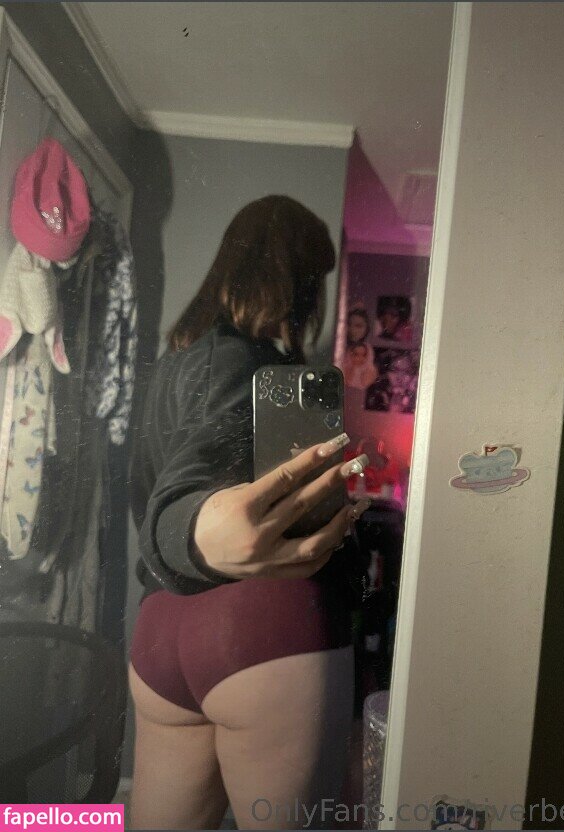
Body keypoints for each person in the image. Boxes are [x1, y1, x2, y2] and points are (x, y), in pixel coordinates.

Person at [128, 195, 370, 830]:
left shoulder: (174, 365)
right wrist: (194, 532)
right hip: (263, 625)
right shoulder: (251, 365)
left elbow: (149, 492)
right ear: (295, 280)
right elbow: (178, 500)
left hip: (161, 629)